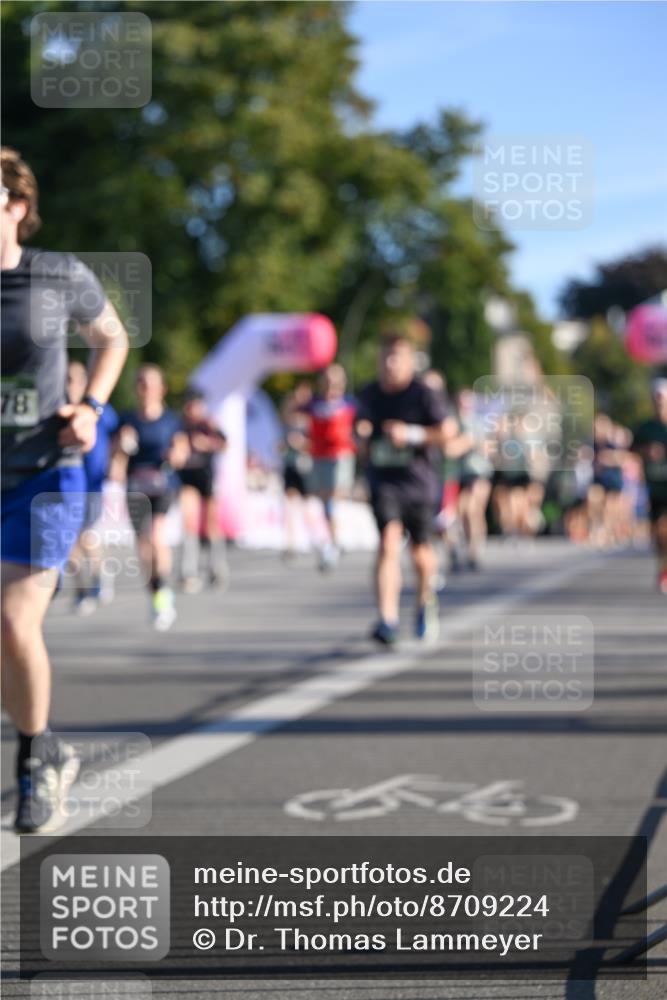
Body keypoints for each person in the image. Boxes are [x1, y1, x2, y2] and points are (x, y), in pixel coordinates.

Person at [1, 147, 128, 833]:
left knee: (15, 622)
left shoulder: (56, 274)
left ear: (16, 207)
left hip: (44, 476)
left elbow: (111, 338)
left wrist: (93, 408)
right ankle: (46, 744)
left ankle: (31, 760)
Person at [356, 333, 452, 645]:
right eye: (385, 357)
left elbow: (447, 432)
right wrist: (361, 434)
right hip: (384, 480)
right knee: (388, 542)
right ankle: (387, 619)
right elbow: (358, 429)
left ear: (411, 361)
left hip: (419, 483)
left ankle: (425, 603)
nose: (390, 364)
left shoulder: (424, 393)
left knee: (421, 555)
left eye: (397, 357)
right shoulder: (370, 393)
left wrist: (410, 434)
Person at [114, 364, 189, 630]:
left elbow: (183, 451)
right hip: (136, 487)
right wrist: (122, 446)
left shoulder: (170, 419)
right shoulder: (127, 420)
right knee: (144, 547)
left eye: (150, 384)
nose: (145, 389)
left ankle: (164, 592)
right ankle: (155, 593)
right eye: (141, 384)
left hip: (163, 485)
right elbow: (115, 466)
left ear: (161, 389)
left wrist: (175, 455)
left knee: (157, 537)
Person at [65, 359, 120, 614]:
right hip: (64, 483)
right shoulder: (61, 409)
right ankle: (80, 589)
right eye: (67, 379)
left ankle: (98, 576)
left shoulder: (100, 410)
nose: (71, 384)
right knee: (69, 540)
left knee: (85, 535)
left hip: (92, 484)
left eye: (76, 379)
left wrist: (118, 462)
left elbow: (120, 437)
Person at [302, 364, 356, 571]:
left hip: (340, 455)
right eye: (327, 379)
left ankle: (334, 542)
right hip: (319, 455)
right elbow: (291, 414)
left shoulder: (349, 403)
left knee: (334, 496)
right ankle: (334, 539)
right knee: (324, 499)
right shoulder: (314, 403)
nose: (331, 384)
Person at [178, 387, 228, 592]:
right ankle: (188, 571)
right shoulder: (180, 426)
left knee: (210, 523)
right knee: (188, 520)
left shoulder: (209, 424)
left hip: (206, 477)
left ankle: (217, 567)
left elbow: (224, 445)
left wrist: (206, 444)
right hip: (187, 477)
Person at [632, 378, 667, 594]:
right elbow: (631, 451)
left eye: (662, 398)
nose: (659, 402)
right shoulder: (645, 428)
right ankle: (663, 568)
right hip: (655, 487)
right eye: (656, 399)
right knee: (658, 534)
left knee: (665, 527)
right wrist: (647, 452)